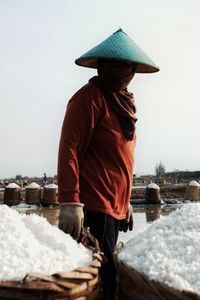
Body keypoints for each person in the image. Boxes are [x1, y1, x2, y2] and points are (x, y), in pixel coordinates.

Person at [57, 29, 159, 299]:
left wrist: (125, 202)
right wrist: (70, 202)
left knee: (110, 280)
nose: (118, 70)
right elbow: (69, 149)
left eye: (124, 65)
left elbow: (120, 161)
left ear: (133, 70)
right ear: (101, 65)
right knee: (104, 282)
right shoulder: (89, 99)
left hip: (114, 209)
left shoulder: (124, 105)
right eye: (111, 64)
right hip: (92, 207)